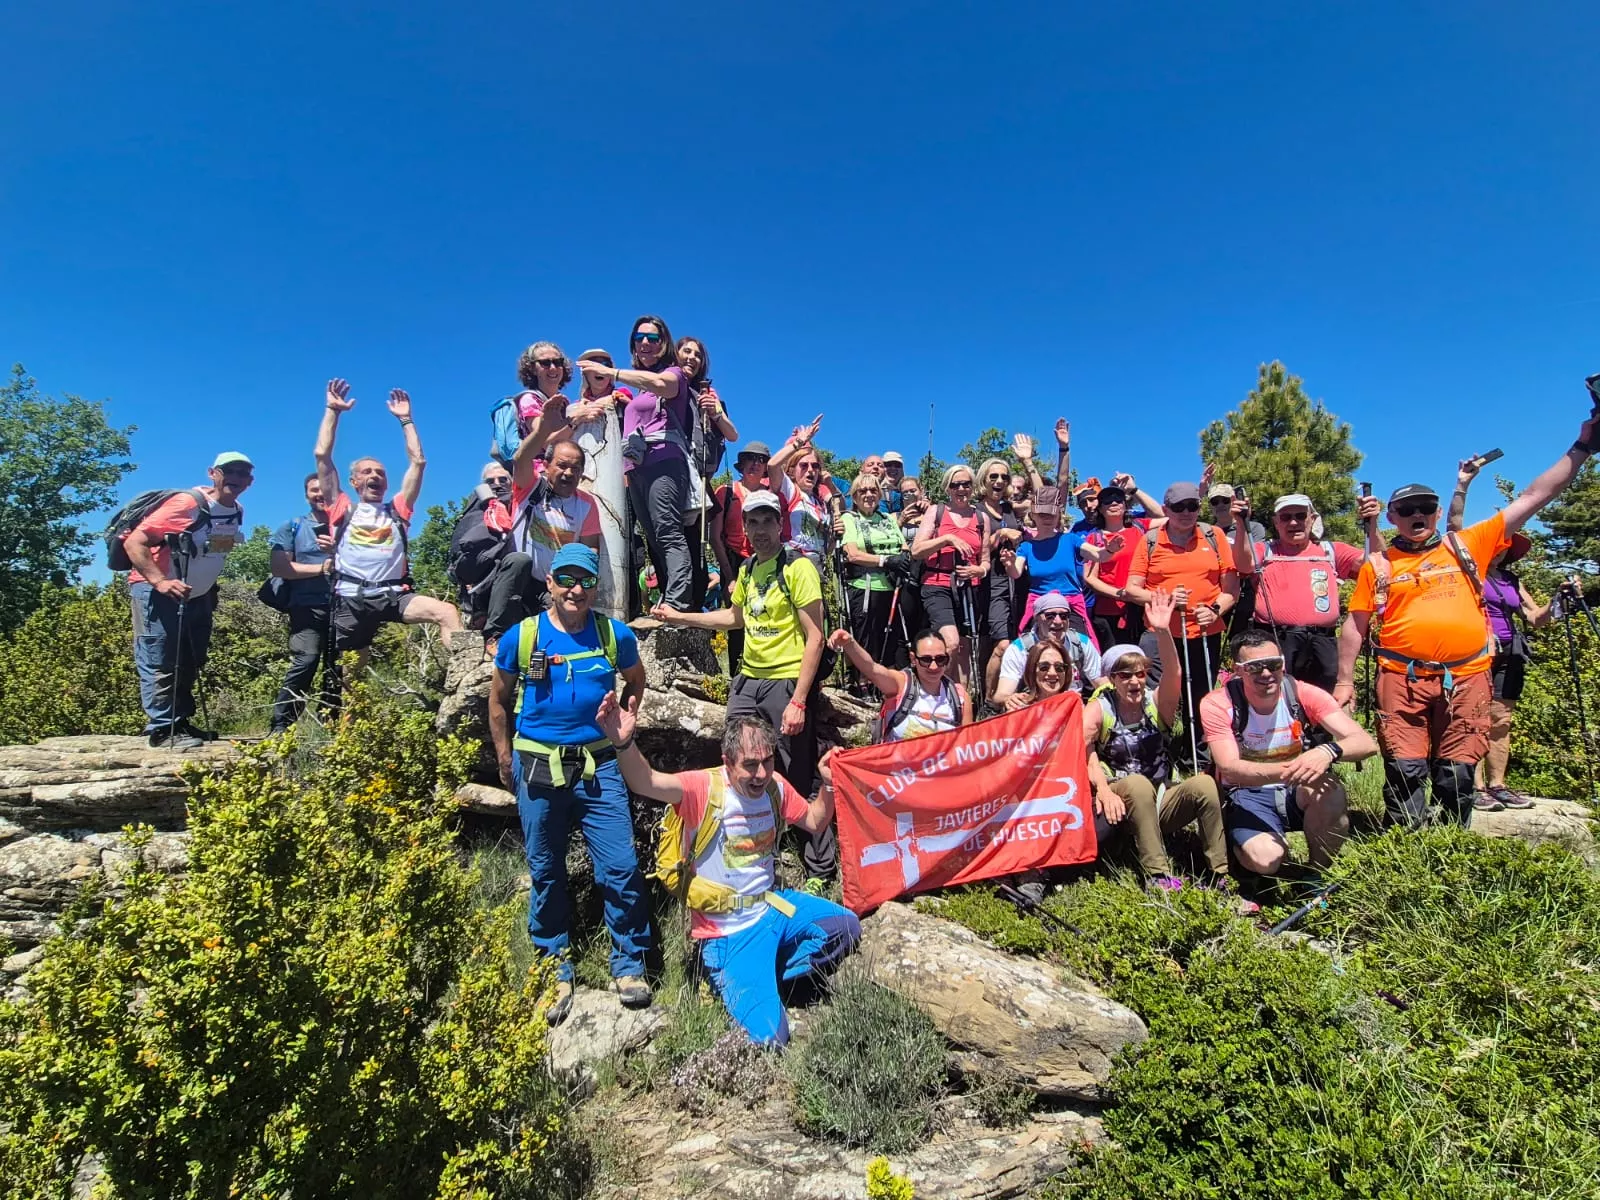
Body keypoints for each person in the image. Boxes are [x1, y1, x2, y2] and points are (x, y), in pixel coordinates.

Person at [1338, 414, 1596, 827]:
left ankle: (1451, 844)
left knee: (1455, 773)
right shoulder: (1380, 564)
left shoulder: (1468, 545)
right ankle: (1407, 847)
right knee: (1405, 769)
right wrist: (1345, 681)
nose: (1416, 515)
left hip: (1467, 677)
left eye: (1424, 507)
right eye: (1406, 509)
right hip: (1400, 677)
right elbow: (1356, 624)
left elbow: (1533, 496)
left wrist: (1581, 448)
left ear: (1438, 512)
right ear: (1393, 517)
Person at [596, 695, 858, 1046]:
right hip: (729, 933)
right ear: (727, 762)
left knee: (846, 927)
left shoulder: (774, 788)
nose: (761, 774)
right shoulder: (703, 789)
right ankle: (733, 978)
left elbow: (814, 820)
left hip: (773, 907)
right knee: (771, 1039)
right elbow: (647, 782)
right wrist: (624, 742)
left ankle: (766, 977)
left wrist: (827, 782)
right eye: (750, 765)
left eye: (767, 762)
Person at [486, 543, 651, 1024]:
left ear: (595, 586)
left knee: (619, 864)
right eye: (567, 579)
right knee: (546, 869)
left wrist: (626, 714)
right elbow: (498, 701)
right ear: (551, 584)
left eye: (586, 580)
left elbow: (636, 680)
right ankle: (554, 965)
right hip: (537, 766)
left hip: (599, 766)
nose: (577, 589)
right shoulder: (524, 636)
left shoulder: (612, 634)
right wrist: (503, 758)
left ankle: (628, 963)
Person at [650, 490, 833, 883]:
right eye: (753, 521)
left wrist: (799, 700)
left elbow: (815, 637)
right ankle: (748, 848)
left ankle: (819, 868)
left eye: (769, 520)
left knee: (795, 770)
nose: (761, 529)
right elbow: (734, 618)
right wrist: (682, 618)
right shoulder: (748, 571)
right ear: (745, 528)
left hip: (785, 681)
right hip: (747, 680)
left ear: (781, 524)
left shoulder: (798, 568)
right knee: (736, 766)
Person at [313, 379, 462, 673]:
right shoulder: (342, 507)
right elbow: (322, 456)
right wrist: (333, 411)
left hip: (394, 595)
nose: (375, 476)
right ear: (354, 482)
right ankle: (350, 718)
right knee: (352, 674)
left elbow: (418, 462)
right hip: (352, 597)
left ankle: (467, 674)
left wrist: (406, 420)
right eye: (366, 472)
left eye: (380, 472)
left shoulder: (398, 510)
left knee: (446, 612)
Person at [1203, 628, 1377, 876]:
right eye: (1255, 667)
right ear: (1238, 669)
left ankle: (1316, 874)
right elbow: (1230, 767)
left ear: (1283, 664)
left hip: (1296, 791)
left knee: (1331, 791)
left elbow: (1365, 742)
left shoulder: (1301, 693)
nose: (1266, 673)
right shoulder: (1218, 703)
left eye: (1274, 664)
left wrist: (1328, 751)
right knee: (1265, 860)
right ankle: (1262, 861)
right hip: (1245, 794)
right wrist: (1295, 769)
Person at [1082, 590, 1228, 885]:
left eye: (1140, 673)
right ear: (1111, 679)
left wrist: (1163, 631)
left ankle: (1219, 873)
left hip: (1161, 797)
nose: (1135, 681)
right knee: (1136, 784)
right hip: (1118, 804)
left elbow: (1174, 674)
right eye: (1125, 675)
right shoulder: (1099, 709)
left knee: (1204, 784)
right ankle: (1158, 875)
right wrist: (1104, 790)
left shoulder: (1154, 703)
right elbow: (1084, 752)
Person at [121, 452, 252, 748]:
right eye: (229, 470)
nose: (236, 477)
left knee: (189, 660)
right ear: (213, 473)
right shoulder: (188, 503)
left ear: (250, 481)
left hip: (198, 596)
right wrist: (161, 581)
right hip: (157, 592)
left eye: (243, 473)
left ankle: (179, 722)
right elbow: (134, 542)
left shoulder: (236, 510)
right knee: (160, 658)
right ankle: (161, 729)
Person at [1448, 460, 1552, 810]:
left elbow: (1536, 618)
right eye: (1501, 541)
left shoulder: (1511, 582)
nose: (1503, 547)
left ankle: (1498, 784)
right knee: (1474, 716)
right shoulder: (1471, 571)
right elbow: (1454, 527)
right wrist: (1462, 485)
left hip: (1510, 651)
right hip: (1477, 651)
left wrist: (1558, 603)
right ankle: (1474, 787)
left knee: (1501, 720)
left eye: (1508, 544)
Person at [576, 316, 695, 610]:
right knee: (653, 537)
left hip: (665, 461)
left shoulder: (674, 373)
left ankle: (680, 603)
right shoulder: (635, 390)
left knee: (668, 530)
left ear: (663, 343)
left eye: (652, 338)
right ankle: (668, 598)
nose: (645, 343)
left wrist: (611, 372)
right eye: (639, 338)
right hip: (637, 468)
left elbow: (661, 385)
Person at [1124, 481, 1238, 764]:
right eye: (1179, 507)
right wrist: (1165, 598)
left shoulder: (1214, 536)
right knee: (1153, 694)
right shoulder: (1150, 540)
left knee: (1201, 696)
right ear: (1166, 510)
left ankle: (1195, 759)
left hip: (1204, 631)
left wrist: (1214, 610)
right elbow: (1132, 589)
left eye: (1193, 506)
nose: (1187, 512)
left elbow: (1231, 588)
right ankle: (1150, 753)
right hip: (1160, 632)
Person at [1228, 492, 1379, 693]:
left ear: (1312, 519)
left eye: (1300, 516)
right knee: (1278, 699)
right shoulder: (1265, 550)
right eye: (1285, 517)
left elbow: (1377, 563)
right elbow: (1244, 564)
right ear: (1276, 522)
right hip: (1277, 639)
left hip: (1323, 642)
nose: (1293, 522)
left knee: (1325, 702)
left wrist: (1373, 523)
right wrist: (1241, 523)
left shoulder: (1331, 551)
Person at [483, 399, 602, 641]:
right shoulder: (530, 487)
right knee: (519, 560)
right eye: (562, 465)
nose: (568, 473)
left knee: (569, 625)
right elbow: (520, 460)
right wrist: (542, 429)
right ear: (546, 466)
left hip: (554, 584)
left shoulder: (586, 504)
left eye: (575, 468)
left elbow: (591, 550)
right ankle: (494, 635)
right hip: (519, 579)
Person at [268, 472, 337, 735]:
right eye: (313, 490)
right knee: (306, 660)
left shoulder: (349, 526)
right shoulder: (292, 527)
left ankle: (332, 726)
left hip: (344, 608)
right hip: (306, 607)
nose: (319, 494)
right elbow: (279, 567)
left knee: (339, 666)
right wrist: (323, 567)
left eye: (324, 489)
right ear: (306, 494)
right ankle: (281, 725)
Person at [1001, 485, 1116, 640]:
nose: (1047, 518)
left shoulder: (1070, 539)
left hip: (1070, 604)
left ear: (1058, 514)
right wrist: (1009, 563)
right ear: (1033, 514)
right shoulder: (1026, 547)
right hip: (1040, 604)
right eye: (1042, 514)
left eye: (1052, 513)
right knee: (1029, 646)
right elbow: (1015, 573)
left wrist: (1110, 550)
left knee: (1080, 645)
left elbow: (1098, 555)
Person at [911, 464, 991, 687]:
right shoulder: (936, 512)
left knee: (964, 648)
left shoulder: (981, 519)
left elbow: (985, 560)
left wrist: (980, 570)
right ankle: (937, 689)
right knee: (951, 642)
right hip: (937, 584)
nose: (961, 489)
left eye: (966, 484)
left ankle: (960, 700)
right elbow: (916, 550)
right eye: (956, 485)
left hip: (969, 587)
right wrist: (947, 539)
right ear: (948, 487)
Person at [829, 626, 971, 741]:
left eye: (940, 659)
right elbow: (872, 669)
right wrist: (850, 644)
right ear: (913, 659)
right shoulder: (901, 685)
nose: (933, 667)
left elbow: (968, 747)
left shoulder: (959, 697)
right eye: (926, 660)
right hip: (899, 772)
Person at [836, 472, 910, 689]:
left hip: (892, 586)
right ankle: (863, 683)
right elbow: (852, 554)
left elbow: (902, 545)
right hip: (864, 587)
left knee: (889, 640)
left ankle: (886, 684)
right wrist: (885, 560)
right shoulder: (850, 518)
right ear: (855, 497)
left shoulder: (888, 519)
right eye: (862, 491)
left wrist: (903, 559)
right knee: (866, 639)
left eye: (873, 490)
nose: (868, 495)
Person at [710, 441, 772, 677]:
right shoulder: (726, 493)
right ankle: (738, 678)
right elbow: (716, 537)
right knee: (737, 622)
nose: (755, 464)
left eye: (761, 460)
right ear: (741, 464)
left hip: (763, 560)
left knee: (765, 617)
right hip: (734, 561)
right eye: (750, 459)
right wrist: (729, 577)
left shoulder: (770, 494)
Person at [993, 593, 1105, 709]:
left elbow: (1101, 682)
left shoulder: (1081, 643)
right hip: (1033, 708)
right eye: (1050, 616)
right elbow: (1001, 694)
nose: (1058, 621)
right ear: (1037, 618)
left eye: (1063, 615)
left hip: (1073, 707)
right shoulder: (1020, 648)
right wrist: (1009, 699)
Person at [1083, 482, 1159, 650]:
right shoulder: (1094, 539)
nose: (1114, 503)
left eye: (1118, 499)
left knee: (1143, 660)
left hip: (1141, 609)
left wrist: (1135, 489)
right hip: (1109, 613)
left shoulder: (1140, 527)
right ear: (1100, 509)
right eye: (1107, 501)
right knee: (1117, 663)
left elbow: (1163, 516)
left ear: (1125, 505)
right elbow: (1089, 578)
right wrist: (1121, 594)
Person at [767, 416, 831, 569]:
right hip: (792, 563)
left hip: (818, 567)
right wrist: (799, 442)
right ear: (791, 469)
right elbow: (772, 466)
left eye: (815, 466)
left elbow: (826, 546)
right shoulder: (789, 489)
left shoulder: (819, 501)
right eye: (804, 465)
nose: (811, 470)